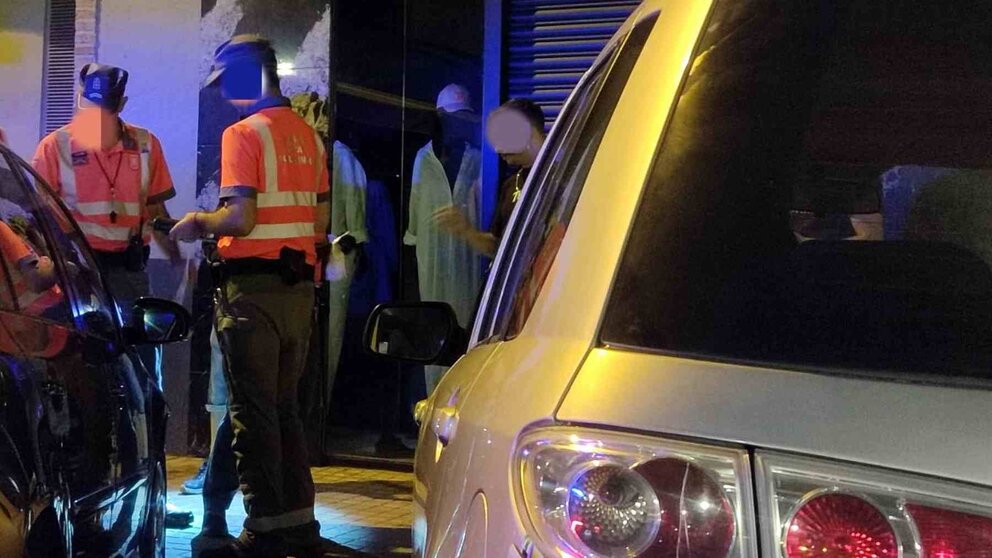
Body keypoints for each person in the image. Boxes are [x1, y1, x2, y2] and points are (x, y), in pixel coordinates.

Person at [169, 35, 331, 558]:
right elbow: (321, 222)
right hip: (300, 290)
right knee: (283, 409)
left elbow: (241, 217)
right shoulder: (309, 136)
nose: (223, 96)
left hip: (253, 292)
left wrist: (197, 223)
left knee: (251, 412)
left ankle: (262, 528)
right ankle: (299, 523)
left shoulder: (243, 133)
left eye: (226, 85)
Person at [31, 63, 182, 374]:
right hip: (77, 275)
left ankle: (143, 418)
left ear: (121, 106)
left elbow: (156, 213)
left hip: (128, 273)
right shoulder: (54, 147)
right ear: (80, 102)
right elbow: (42, 221)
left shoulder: (146, 145)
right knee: (80, 367)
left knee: (140, 368)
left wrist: (179, 262)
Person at [405, 83, 483, 394]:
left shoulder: (478, 158)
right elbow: (414, 214)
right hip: (432, 260)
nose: (459, 123)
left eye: (464, 117)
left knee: (468, 332)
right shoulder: (423, 159)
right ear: (440, 116)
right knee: (435, 331)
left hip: (469, 260)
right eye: (453, 117)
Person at [434, 98, 547, 258]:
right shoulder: (511, 185)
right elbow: (497, 247)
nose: (497, 148)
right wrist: (467, 231)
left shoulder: (567, 178)